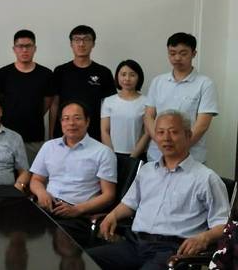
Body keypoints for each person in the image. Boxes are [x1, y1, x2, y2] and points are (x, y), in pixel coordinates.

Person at [88, 110, 230, 270]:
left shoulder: (206, 178)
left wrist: (204, 238)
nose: (166, 138)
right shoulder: (147, 171)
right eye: (161, 132)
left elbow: (224, 225)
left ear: (188, 135)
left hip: (172, 251)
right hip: (134, 244)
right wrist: (112, 215)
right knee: (83, 260)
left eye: (173, 132)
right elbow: (129, 204)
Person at [30, 101, 117, 247]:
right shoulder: (49, 147)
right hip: (47, 207)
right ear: (61, 122)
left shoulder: (103, 152)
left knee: (54, 239)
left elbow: (109, 195)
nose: (71, 123)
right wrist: (42, 193)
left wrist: (77, 209)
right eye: (66, 118)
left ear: (87, 121)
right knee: (20, 229)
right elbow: (36, 180)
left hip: (77, 213)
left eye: (77, 118)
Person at [144, 32, 218, 163]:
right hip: (156, 155)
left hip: (191, 157)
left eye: (183, 53)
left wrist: (179, 148)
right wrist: (162, 143)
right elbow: (149, 116)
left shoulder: (205, 84)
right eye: (172, 53)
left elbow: (202, 125)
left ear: (194, 54)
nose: (177, 58)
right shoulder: (158, 81)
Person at [0, 29, 54, 163]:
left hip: (34, 136)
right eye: (20, 46)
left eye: (28, 46)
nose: (24, 50)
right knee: (6, 172)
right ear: (14, 49)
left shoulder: (46, 74)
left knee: (32, 173)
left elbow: (47, 103)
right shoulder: (3, 73)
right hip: (6, 136)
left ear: (35, 48)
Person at [51, 25, 116, 141]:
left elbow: (110, 107)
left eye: (86, 39)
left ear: (93, 44)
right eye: (77, 40)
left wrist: (107, 134)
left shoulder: (104, 72)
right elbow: (55, 104)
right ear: (71, 44)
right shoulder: (60, 71)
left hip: (95, 133)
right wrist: (51, 133)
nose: (81, 44)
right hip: (64, 133)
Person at [101, 59, 149, 159]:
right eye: (123, 74)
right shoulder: (108, 101)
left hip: (138, 155)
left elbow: (146, 133)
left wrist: (133, 157)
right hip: (112, 155)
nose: (127, 79)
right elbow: (104, 131)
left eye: (132, 75)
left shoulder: (146, 102)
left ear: (139, 77)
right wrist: (111, 155)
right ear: (117, 77)